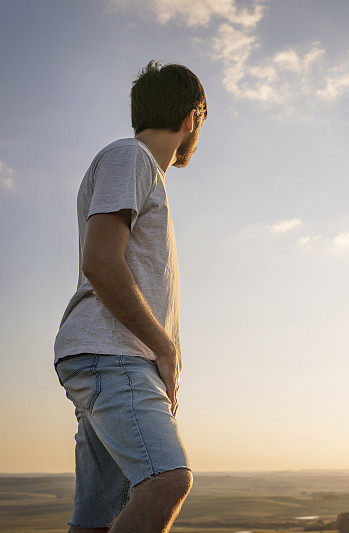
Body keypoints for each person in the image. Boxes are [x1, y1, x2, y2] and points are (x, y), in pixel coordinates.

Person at [52, 60, 207, 532]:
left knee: (99, 519)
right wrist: (164, 347)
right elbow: (100, 261)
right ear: (191, 118)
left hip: (108, 357)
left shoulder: (137, 167)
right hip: (113, 355)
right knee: (167, 481)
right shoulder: (131, 157)